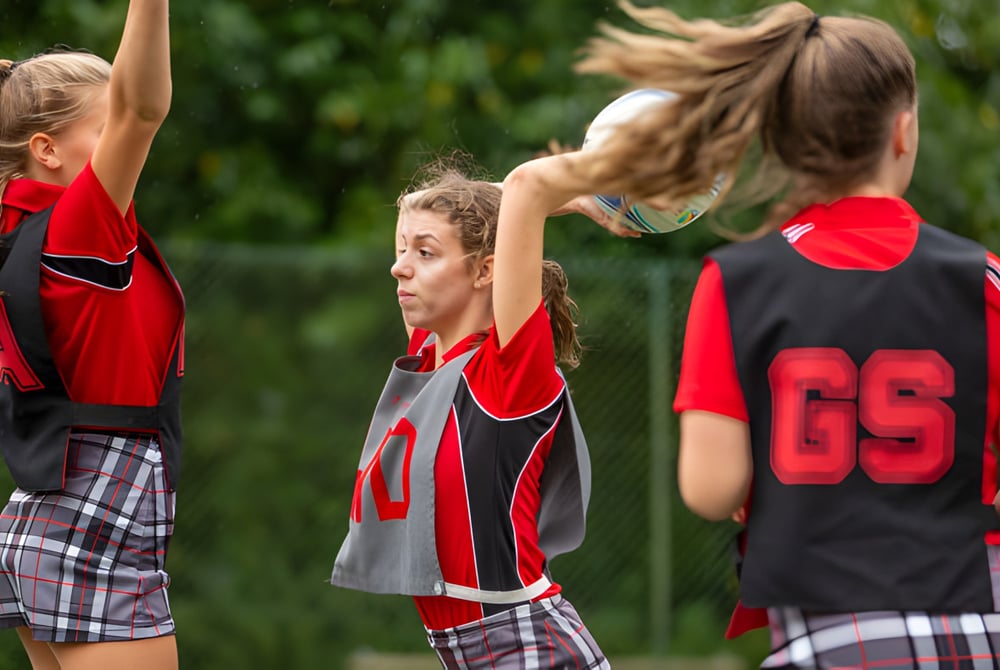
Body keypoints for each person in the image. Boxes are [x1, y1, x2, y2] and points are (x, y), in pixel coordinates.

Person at [441, 1, 1000, 666]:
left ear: (785, 142)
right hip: (979, 621)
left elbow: (711, 488)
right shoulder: (986, 279)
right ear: (903, 132)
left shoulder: (740, 282)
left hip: (829, 636)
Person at [331, 155, 629, 668]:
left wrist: (580, 192)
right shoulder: (430, 356)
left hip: (531, 647)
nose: (399, 265)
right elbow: (412, 205)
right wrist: (488, 211)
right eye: (403, 249)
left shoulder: (508, 375)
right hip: (472, 652)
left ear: (486, 269)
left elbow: (526, 184)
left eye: (425, 252)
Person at [0, 2, 181, 669]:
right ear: (46, 150)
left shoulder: (16, 230)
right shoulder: (78, 227)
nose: (122, 144)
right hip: (95, 513)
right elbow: (144, 109)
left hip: (45, 518)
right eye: (100, 131)